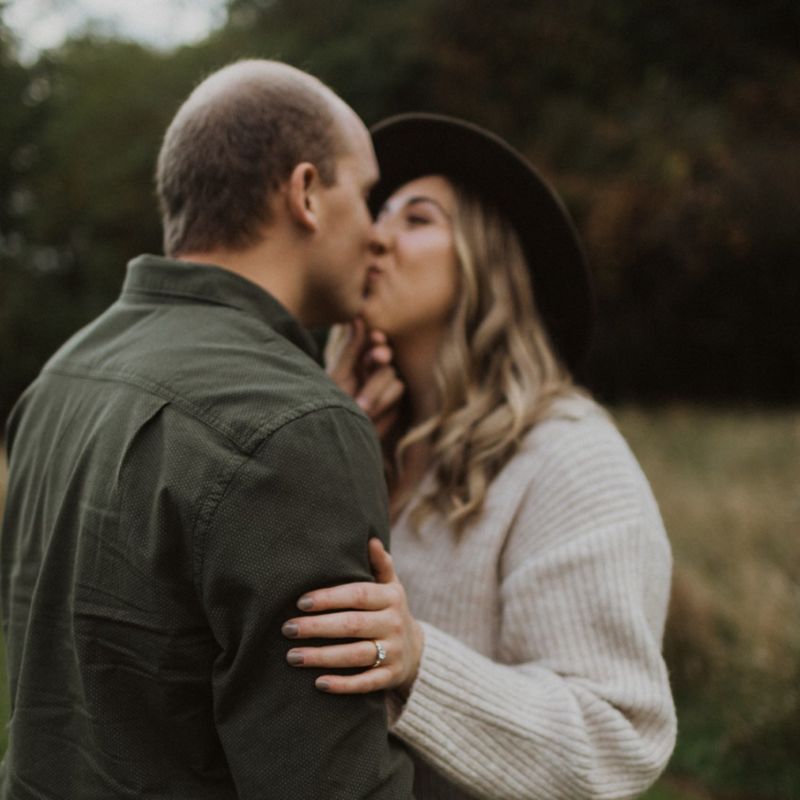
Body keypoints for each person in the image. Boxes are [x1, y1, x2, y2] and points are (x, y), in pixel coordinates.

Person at [0, 61, 414, 799]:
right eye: (367, 193)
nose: (378, 235)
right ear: (307, 193)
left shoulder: (62, 375)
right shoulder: (299, 427)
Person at [281, 113, 677, 799]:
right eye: (380, 213)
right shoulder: (369, 438)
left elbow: (615, 736)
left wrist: (417, 660)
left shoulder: (569, 458)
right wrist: (329, 436)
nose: (375, 236)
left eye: (418, 219)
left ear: (486, 266)